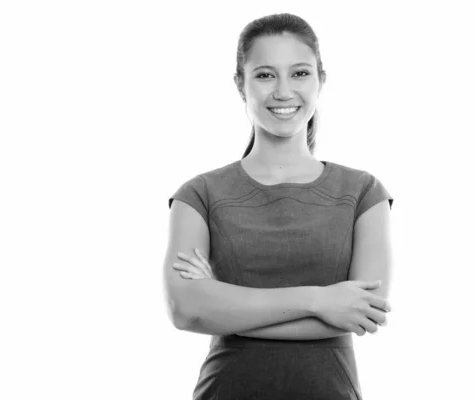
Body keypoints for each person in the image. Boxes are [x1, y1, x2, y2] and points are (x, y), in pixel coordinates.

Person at [163, 13, 395, 399]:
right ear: (240, 84)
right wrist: (320, 300)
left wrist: (226, 306)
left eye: (300, 73)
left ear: (321, 79)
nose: (284, 91)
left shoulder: (363, 192)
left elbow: (364, 312)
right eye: (266, 75)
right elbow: (185, 310)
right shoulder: (200, 194)